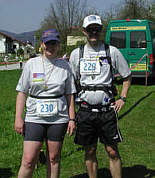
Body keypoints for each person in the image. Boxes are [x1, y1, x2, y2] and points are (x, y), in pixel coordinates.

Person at [69, 15, 131, 178]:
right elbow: (70, 83)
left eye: (97, 29)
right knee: (89, 150)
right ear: (84, 31)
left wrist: (122, 97)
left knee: (112, 151)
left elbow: (127, 76)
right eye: (90, 29)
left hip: (107, 111)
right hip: (85, 111)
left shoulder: (112, 51)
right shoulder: (77, 54)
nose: (94, 32)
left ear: (101, 30)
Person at [14, 29, 76, 178]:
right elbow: (22, 92)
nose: (51, 47)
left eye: (54, 43)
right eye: (47, 43)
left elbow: (70, 94)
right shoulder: (31, 64)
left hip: (58, 118)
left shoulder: (65, 66)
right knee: (28, 160)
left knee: (54, 159)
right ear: (42, 44)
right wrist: (18, 117)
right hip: (34, 117)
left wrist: (72, 118)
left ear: (58, 45)